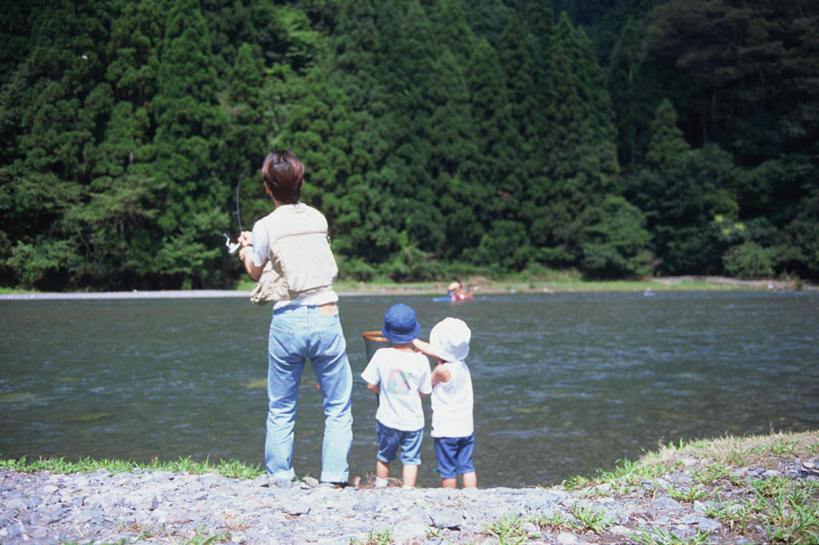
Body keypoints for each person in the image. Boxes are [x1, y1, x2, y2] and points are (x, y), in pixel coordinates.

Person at [236, 150, 353, 486]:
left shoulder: (264, 226)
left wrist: (246, 249)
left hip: (287, 320)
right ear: (300, 184)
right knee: (337, 406)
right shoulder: (318, 218)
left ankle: (280, 476)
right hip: (326, 314)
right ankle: (333, 478)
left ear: (267, 187)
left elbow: (255, 270)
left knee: (282, 406)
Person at [360, 303, 432, 489]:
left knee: (384, 456)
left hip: (387, 419)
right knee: (411, 460)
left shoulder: (381, 355)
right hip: (413, 421)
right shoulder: (421, 360)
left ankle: (381, 487)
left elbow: (370, 385)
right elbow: (424, 392)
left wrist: (384, 391)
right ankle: (408, 491)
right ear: (414, 332)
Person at [416, 317, 477, 488]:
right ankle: (473, 494)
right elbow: (439, 352)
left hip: (447, 429)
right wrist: (414, 340)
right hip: (466, 427)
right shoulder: (461, 364)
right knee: (467, 466)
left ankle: (450, 498)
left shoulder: (441, 370)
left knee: (448, 470)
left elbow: (427, 385)